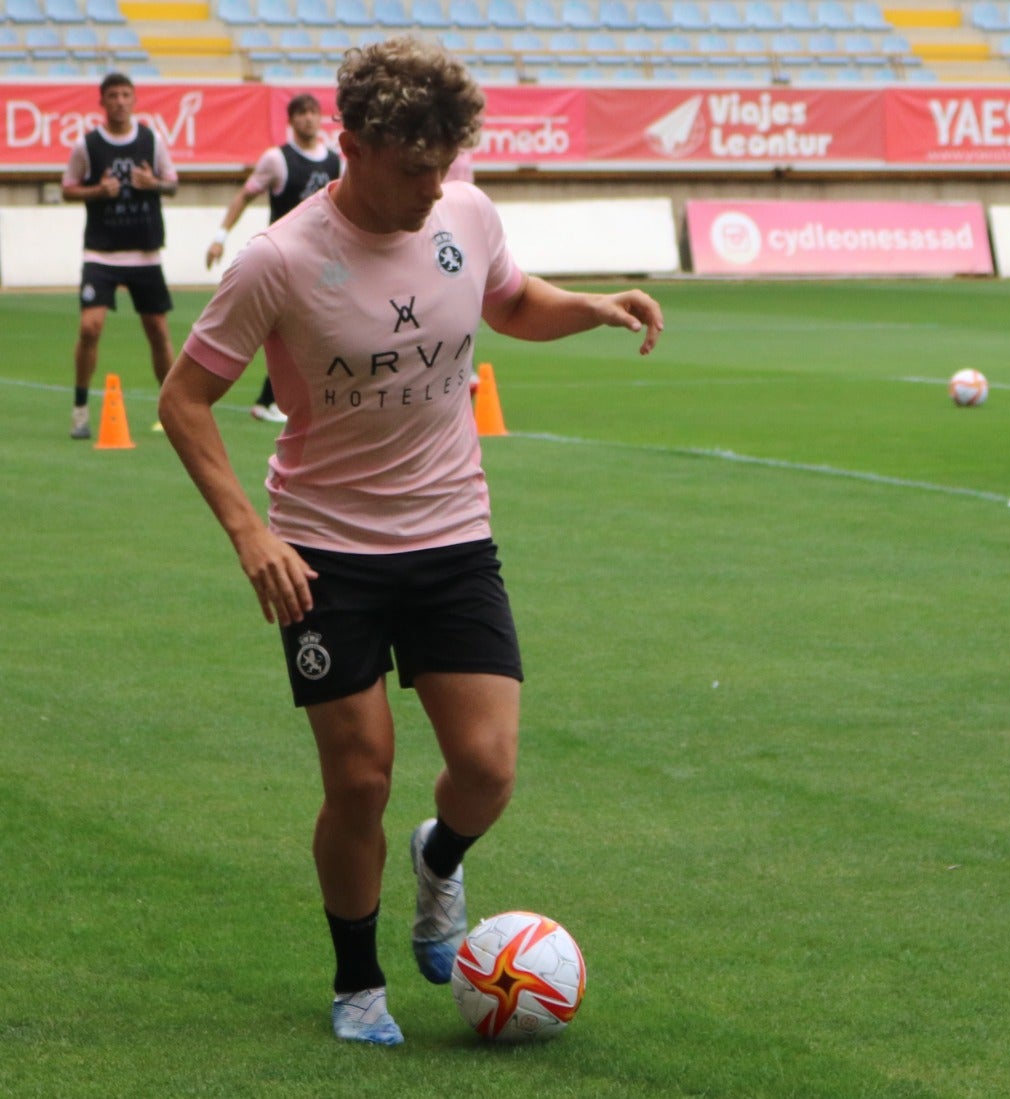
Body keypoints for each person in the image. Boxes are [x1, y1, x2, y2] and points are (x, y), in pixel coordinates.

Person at [158, 37, 664, 1045]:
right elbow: (184, 400)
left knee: (487, 768)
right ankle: (358, 984)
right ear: (351, 147)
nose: (436, 187)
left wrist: (592, 306)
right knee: (360, 778)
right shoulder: (282, 260)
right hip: (324, 553)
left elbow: (508, 299)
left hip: (450, 534)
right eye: (413, 168)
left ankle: (440, 859)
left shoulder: (466, 211)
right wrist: (249, 532)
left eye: (446, 162)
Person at [206, 93, 343, 425]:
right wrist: (220, 237)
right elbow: (245, 195)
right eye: (301, 114)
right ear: (291, 120)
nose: (309, 119)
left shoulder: (335, 160)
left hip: (326, 259)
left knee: (329, 324)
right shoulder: (277, 159)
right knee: (297, 328)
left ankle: (285, 398)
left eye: (313, 113)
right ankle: (270, 399)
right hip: (287, 259)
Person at [61, 72, 178, 439]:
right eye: (112, 95)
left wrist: (153, 184)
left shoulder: (151, 140)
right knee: (89, 327)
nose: (120, 101)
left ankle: (173, 411)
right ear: (102, 101)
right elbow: (67, 188)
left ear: (135, 99)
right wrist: (98, 190)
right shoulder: (87, 146)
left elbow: (172, 183)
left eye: (126, 94)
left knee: (158, 331)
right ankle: (80, 409)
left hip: (144, 252)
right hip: (102, 252)